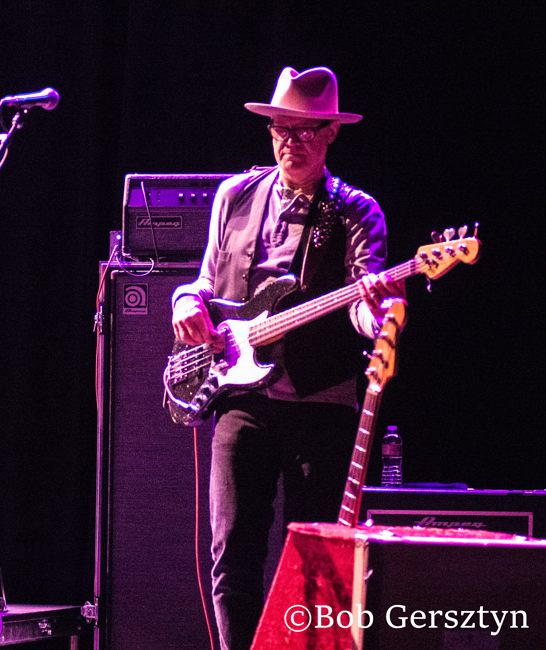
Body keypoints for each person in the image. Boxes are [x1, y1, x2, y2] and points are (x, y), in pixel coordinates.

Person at [170, 67, 405, 649]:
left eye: (305, 131)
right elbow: (203, 280)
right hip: (242, 396)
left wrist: (372, 314)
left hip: (319, 401)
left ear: (330, 134)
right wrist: (184, 299)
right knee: (233, 557)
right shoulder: (234, 195)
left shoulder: (354, 211)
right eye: (281, 128)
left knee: (315, 561)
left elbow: (361, 294)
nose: (290, 142)